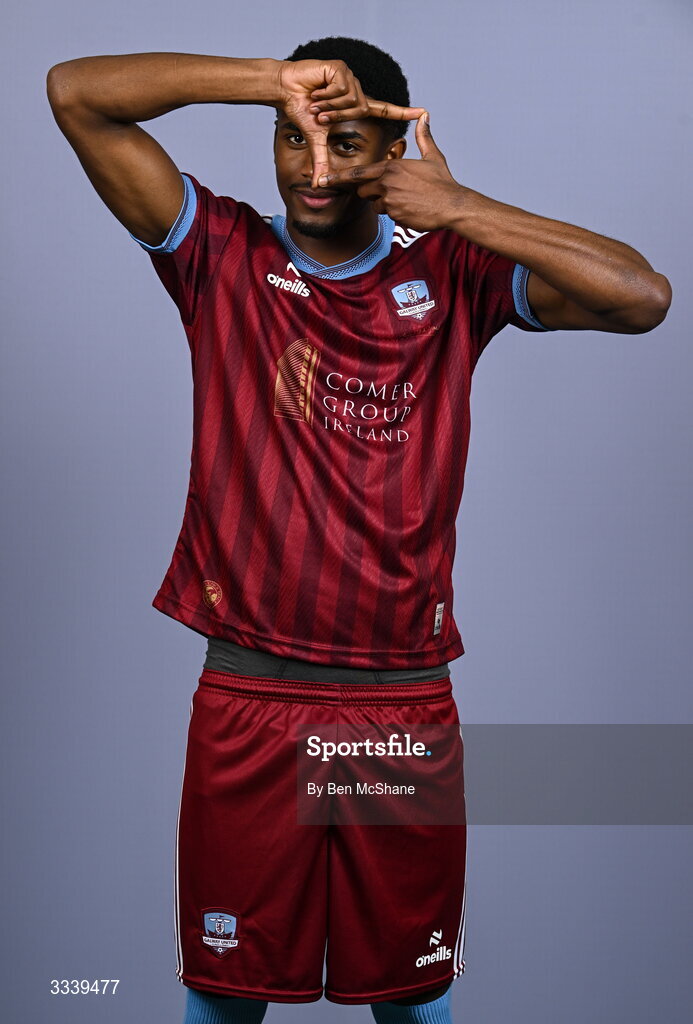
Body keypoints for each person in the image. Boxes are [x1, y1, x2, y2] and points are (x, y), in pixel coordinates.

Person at [46, 35, 671, 1024]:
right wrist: (267, 82)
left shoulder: (455, 274)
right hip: (252, 693)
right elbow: (75, 93)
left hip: (400, 707)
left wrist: (463, 207)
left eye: (343, 140)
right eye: (294, 139)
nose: (317, 166)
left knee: (414, 1003)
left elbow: (643, 298)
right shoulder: (221, 254)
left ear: (389, 148)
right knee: (224, 1001)